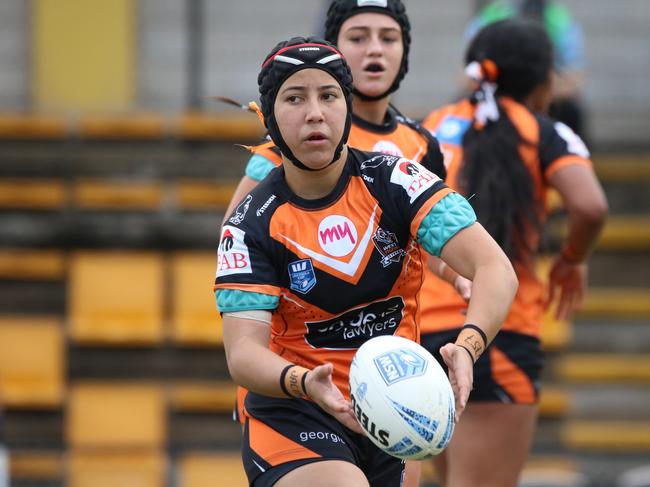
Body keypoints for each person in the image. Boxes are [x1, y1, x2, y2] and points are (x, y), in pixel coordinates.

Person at [215, 37, 518, 486]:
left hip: (396, 402)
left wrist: (468, 348)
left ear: (347, 106)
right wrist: (302, 381)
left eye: (329, 95)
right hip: (296, 408)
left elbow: (495, 269)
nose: (315, 112)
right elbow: (242, 353)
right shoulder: (249, 223)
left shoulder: (398, 181)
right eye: (295, 98)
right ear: (270, 118)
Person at [420, 19, 608, 487]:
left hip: (419, 333)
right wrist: (571, 260)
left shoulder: (431, 125)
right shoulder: (542, 130)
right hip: (496, 334)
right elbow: (589, 206)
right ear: (545, 81)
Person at [465, 0, 587, 138]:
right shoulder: (492, 14)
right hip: (497, 94)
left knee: (571, 112)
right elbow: (468, 73)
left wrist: (538, 93)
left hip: (543, 95)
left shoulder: (558, 19)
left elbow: (574, 78)